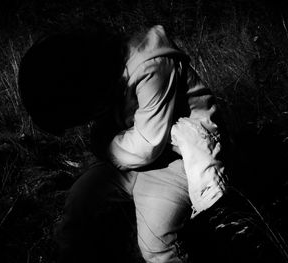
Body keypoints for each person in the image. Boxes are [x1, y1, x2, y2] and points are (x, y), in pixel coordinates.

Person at [18, 24, 229, 263]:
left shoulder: (151, 67)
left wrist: (103, 144)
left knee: (157, 242)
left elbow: (147, 146)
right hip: (133, 157)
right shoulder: (101, 80)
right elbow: (117, 139)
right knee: (78, 204)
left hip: (179, 157)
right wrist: (106, 141)